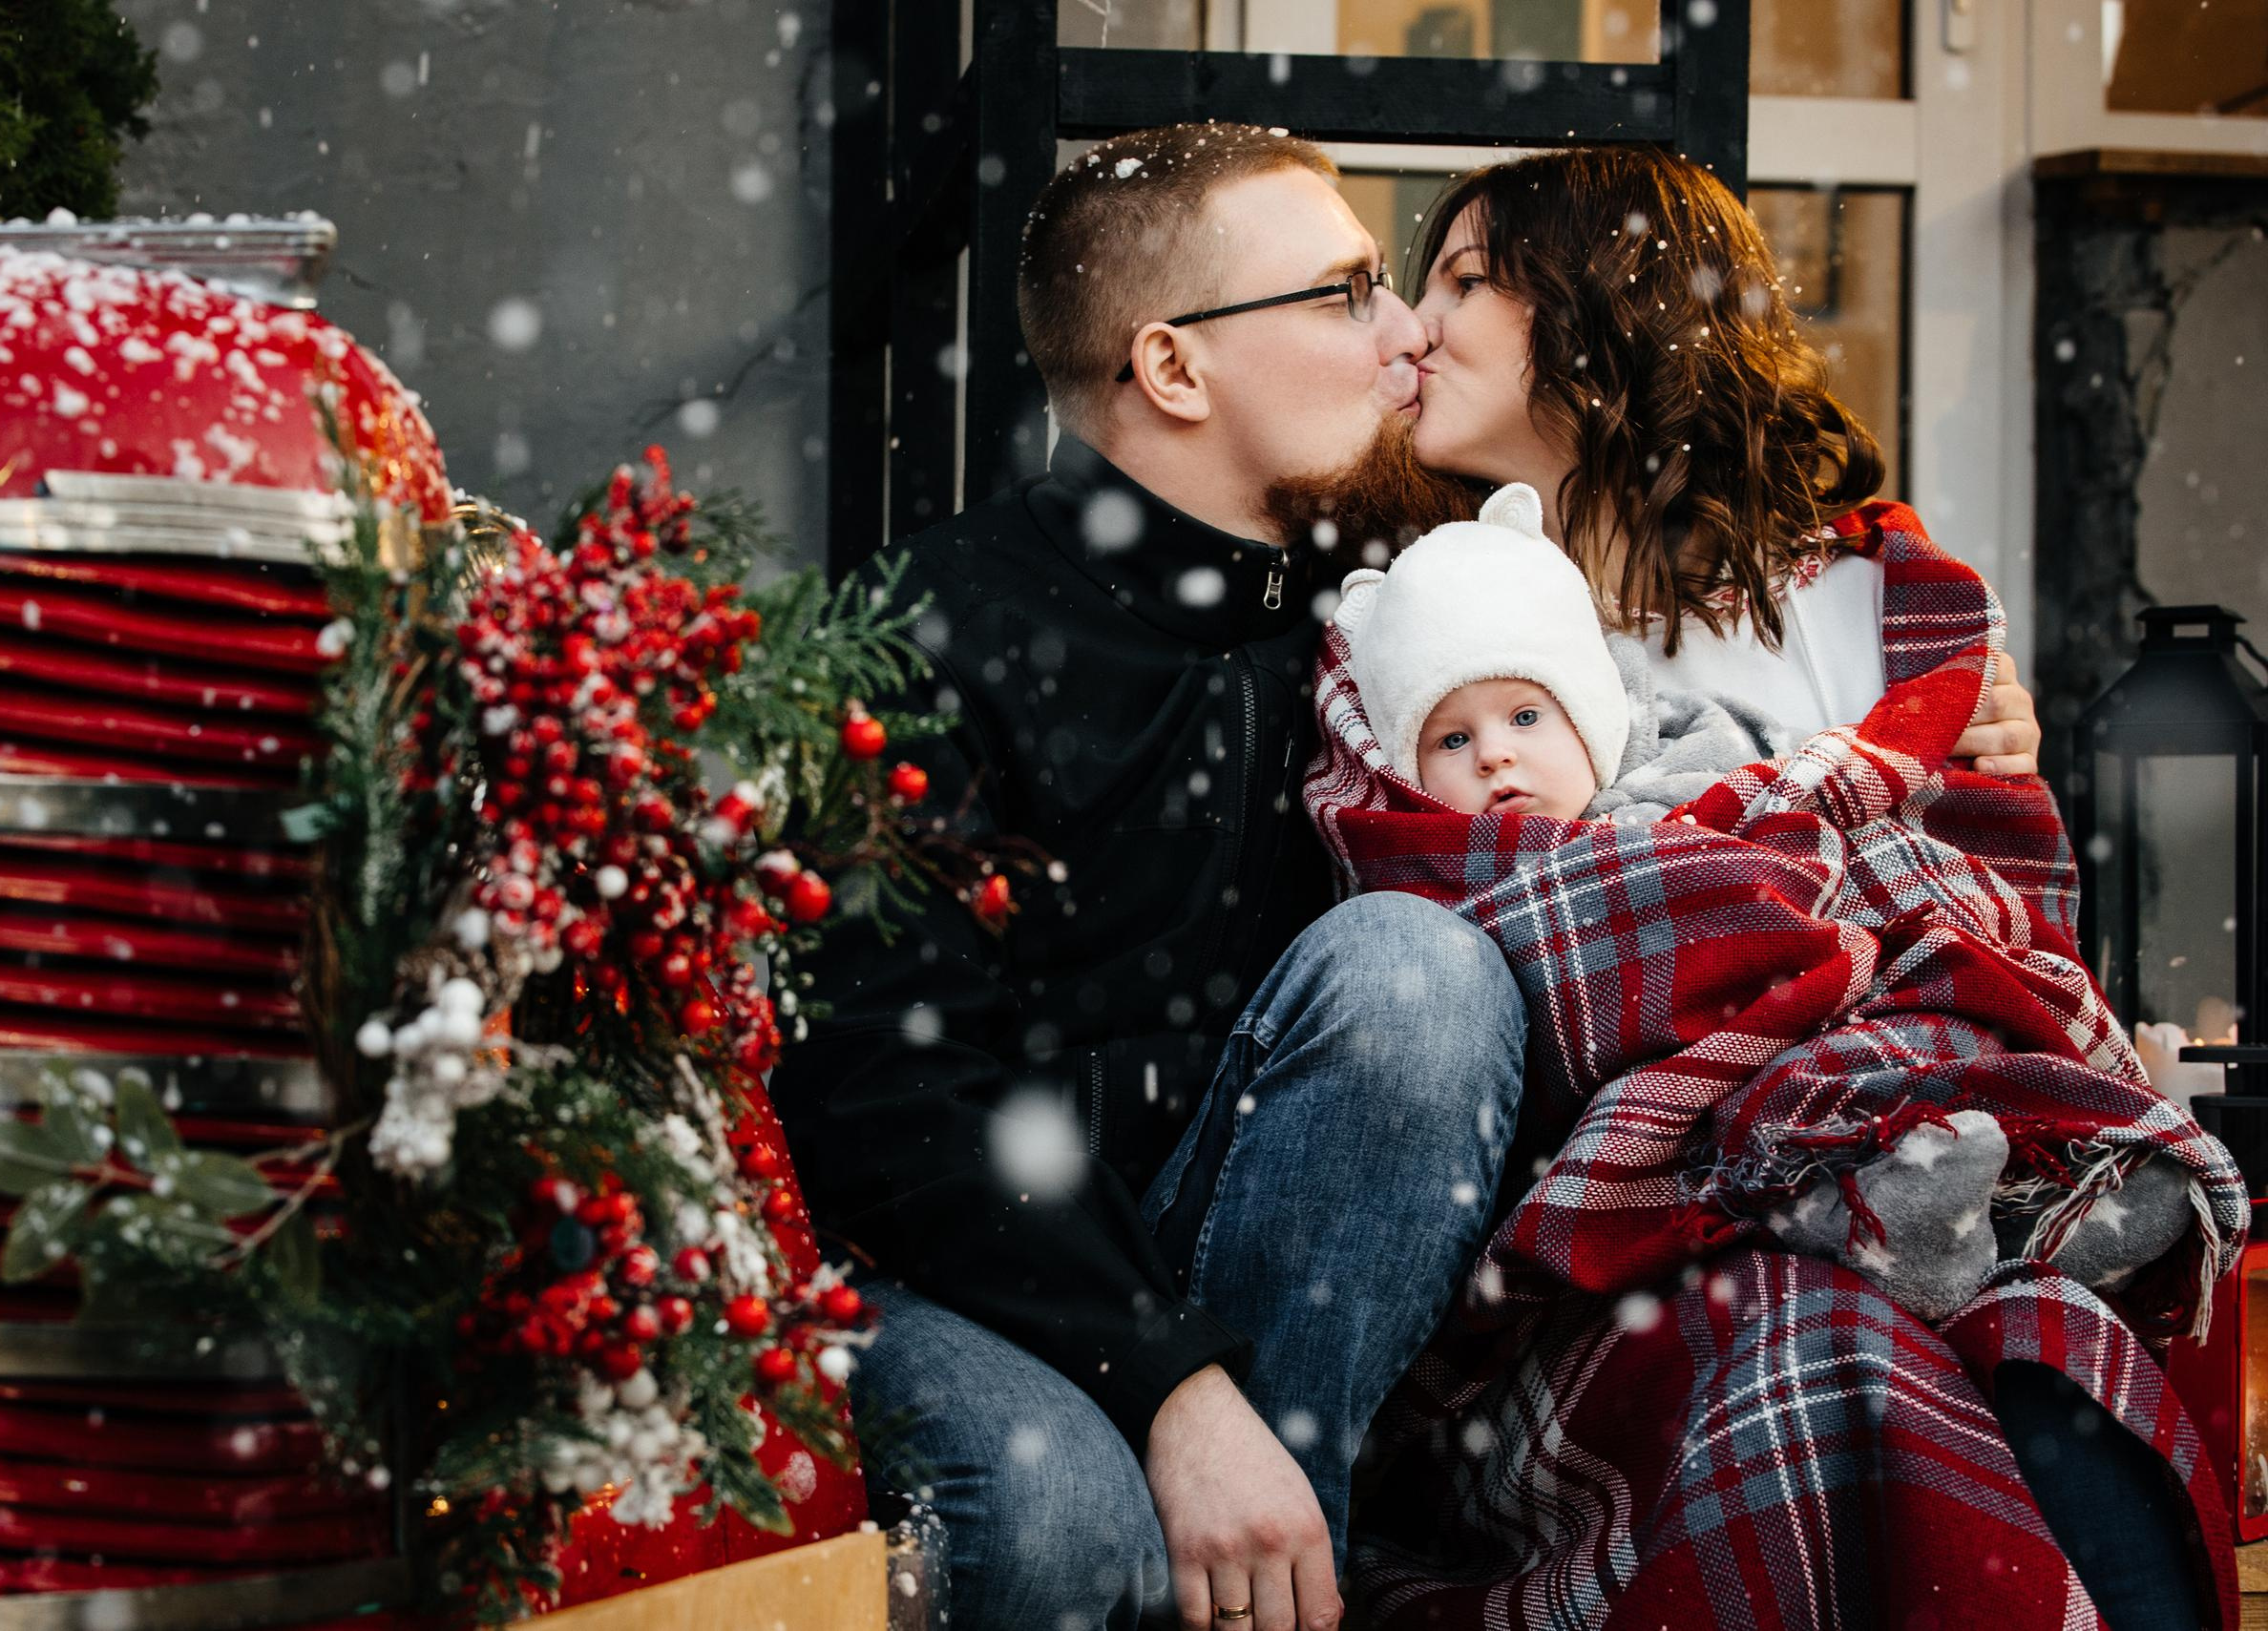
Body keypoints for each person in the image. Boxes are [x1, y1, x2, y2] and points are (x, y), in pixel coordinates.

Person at [1368, 142, 2219, 1631]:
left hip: (1918, 1136)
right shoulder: (1431, 624)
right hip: (1616, 1214)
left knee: (2052, 1349)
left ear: (1604, 307)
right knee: (1809, 1334)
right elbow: (1462, 920)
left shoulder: (1871, 602)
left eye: (1466, 280)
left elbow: (1989, 916)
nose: (1416, 326)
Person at [771, 124, 1512, 1631]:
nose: (1403, 331)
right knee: (1057, 1508)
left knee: (1417, 971)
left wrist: (1932, 644)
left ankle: (1275, 1570)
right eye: (1347, 291)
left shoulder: (1395, 599)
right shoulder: (928, 630)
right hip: (959, 1265)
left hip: (1247, 1227)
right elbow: (880, 1090)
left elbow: (1674, 546)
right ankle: (1221, 1507)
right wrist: (1172, 1385)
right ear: (1172, 367)